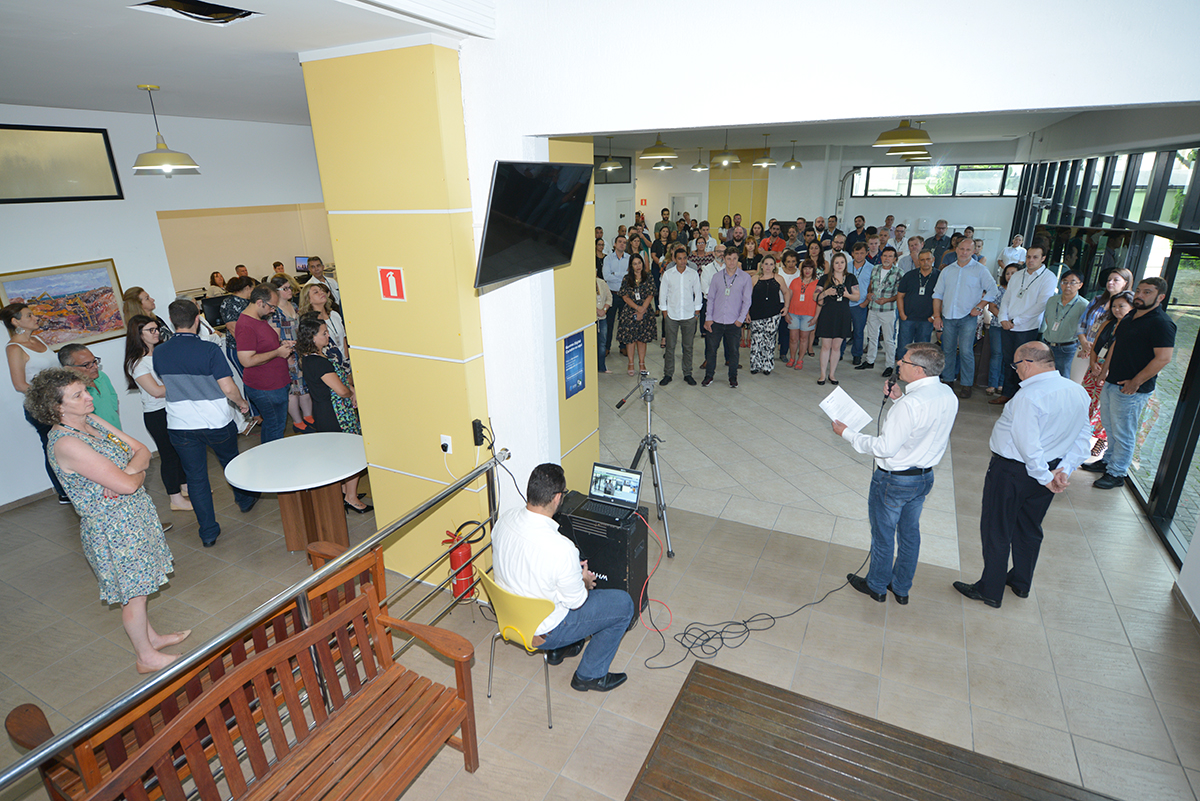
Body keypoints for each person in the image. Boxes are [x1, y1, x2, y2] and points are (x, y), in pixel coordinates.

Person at [26, 368, 189, 672]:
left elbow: (141, 450)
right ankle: (145, 657)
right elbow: (129, 484)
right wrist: (130, 478)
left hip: (132, 517)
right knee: (133, 597)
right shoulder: (67, 443)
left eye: (85, 390)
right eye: (79, 395)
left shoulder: (92, 422)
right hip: (113, 529)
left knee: (139, 587)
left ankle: (151, 638)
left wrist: (126, 473)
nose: (89, 396)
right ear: (56, 407)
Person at [954, 342, 1090, 608]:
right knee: (1029, 528)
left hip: (1014, 471)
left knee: (997, 529)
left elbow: (1028, 444)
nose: (1016, 372)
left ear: (1027, 363)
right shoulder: (1077, 391)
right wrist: (1063, 470)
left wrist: (1045, 476)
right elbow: (1083, 436)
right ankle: (1020, 582)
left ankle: (990, 590)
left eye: (1016, 366)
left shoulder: (1029, 396)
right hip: (1048, 469)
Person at [491, 463, 634, 692]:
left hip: (510, 619)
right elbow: (576, 602)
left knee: (556, 588)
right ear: (558, 498)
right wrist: (584, 582)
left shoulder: (503, 520)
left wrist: (567, 573)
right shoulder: (561, 549)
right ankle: (589, 675)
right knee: (623, 605)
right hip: (543, 631)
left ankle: (561, 650)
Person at [832, 343, 957, 604]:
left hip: (894, 481)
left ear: (920, 370)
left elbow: (885, 448)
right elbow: (923, 427)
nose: (899, 363)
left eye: (905, 361)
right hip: (924, 478)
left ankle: (876, 586)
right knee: (910, 535)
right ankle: (901, 588)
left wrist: (848, 434)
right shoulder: (947, 395)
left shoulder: (910, 405)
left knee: (883, 535)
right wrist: (898, 398)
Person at [154, 299, 258, 547]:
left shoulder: (159, 352)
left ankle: (208, 531)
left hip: (180, 425)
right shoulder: (209, 350)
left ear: (172, 322)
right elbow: (227, 387)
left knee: (196, 477)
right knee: (231, 463)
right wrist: (242, 404)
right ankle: (244, 501)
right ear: (197, 320)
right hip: (216, 422)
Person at [1081, 277, 1176, 490]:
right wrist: (1104, 372)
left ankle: (1117, 473)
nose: (1141, 295)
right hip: (1112, 381)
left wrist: (1135, 382)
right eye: (1140, 291)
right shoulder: (1131, 315)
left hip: (1132, 388)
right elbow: (1116, 345)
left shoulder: (1162, 323)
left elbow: (1163, 358)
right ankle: (1107, 462)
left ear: (1160, 297)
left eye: (1148, 292)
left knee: (1124, 431)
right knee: (1109, 425)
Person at [296, 315, 371, 513]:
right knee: (352, 456)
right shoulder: (319, 363)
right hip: (335, 414)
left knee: (340, 456)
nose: (328, 335)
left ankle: (347, 491)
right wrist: (351, 394)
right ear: (312, 337)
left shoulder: (309, 359)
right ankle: (352, 498)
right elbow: (340, 390)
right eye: (324, 333)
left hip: (324, 411)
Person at [123, 315, 190, 512]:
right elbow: (156, 391)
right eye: (151, 330)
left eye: (157, 329)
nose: (157, 333)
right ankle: (175, 499)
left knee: (180, 451)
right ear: (138, 335)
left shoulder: (160, 353)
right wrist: (182, 383)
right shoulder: (137, 363)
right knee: (169, 455)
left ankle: (186, 487)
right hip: (157, 413)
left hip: (172, 407)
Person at [3, 302, 69, 503]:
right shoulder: (14, 348)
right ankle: (63, 491)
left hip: (60, 402)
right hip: (41, 407)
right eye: (29, 315)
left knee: (68, 445)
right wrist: (48, 396)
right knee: (53, 446)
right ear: (16, 321)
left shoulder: (38, 340)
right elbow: (20, 384)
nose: (35, 317)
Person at [932, 236, 999, 399]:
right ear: (956, 249)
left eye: (968, 249)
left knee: (966, 351)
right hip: (948, 317)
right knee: (947, 350)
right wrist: (936, 316)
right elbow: (938, 294)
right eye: (961, 249)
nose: (964, 252)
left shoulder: (980, 270)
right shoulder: (947, 270)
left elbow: (993, 291)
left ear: (974, 251)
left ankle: (966, 385)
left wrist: (980, 306)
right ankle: (948, 381)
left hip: (968, 318)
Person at [991, 243, 1057, 405]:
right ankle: (1007, 393)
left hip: (1027, 327)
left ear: (1043, 258)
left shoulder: (1048, 277)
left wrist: (1016, 321)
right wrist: (1003, 319)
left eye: (1035, 257)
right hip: (1007, 325)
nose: (1030, 260)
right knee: (1008, 361)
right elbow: (1006, 298)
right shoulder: (1017, 275)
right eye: (1028, 257)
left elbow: (1041, 305)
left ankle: (1022, 398)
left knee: (1025, 363)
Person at [236, 283, 295, 443]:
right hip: (266, 387)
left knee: (275, 425)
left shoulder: (258, 319)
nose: (273, 310)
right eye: (271, 306)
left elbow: (262, 346)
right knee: (275, 427)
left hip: (274, 383)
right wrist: (277, 352)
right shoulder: (247, 325)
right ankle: (273, 462)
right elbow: (246, 360)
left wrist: (281, 344)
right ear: (260, 302)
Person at [1084, 292, 1135, 460]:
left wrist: (1105, 370)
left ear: (1132, 307)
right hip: (1095, 368)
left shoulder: (1131, 327)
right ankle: (1082, 436)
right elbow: (1096, 344)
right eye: (1114, 306)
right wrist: (1092, 364)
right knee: (1088, 403)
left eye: (1122, 306)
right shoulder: (1107, 323)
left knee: (1104, 409)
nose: (1117, 309)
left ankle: (1102, 441)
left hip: (1113, 372)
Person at [268, 274, 314, 433]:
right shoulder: (274, 312)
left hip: (301, 350)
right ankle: (297, 421)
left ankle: (308, 416)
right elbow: (275, 338)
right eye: (285, 288)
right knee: (293, 391)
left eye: (290, 287)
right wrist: (286, 356)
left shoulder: (294, 306)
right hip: (288, 354)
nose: (289, 291)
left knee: (304, 386)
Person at [701, 248, 752, 389]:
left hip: (734, 322)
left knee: (734, 351)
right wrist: (708, 318)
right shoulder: (717, 277)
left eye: (734, 258)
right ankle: (709, 376)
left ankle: (733, 377)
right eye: (729, 258)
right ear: (724, 259)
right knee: (711, 350)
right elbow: (710, 299)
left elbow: (747, 301)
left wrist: (740, 319)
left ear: (738, 260)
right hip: (716, 321)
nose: (731, 262)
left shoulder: (745, 278)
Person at [814, 252, 860, 386]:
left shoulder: (851, 278)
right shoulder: (825, 278)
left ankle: (832, 374)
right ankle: (822, 374)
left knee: (836, 347)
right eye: (837, 262)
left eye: (842, 262)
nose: (839, 265)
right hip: (827, 314)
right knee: (825, 346)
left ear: (846, 264)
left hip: (843, 314)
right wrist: (826, 293)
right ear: (832, 264)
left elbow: (857, 296)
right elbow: (815, 296)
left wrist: (847, 295)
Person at [658, 245, 702, 386]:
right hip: (672, 315)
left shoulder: (693, 274)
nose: (682, 261)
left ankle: (687, 373)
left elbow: (698, 294)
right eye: (679, 259)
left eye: (684, 258)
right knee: (670, 347)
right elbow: (662, 294)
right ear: (674, 259)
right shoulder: (668, 274)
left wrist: (696, 313)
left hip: (689, 316)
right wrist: (665, 313)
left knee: (688, 347)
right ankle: (668, 374)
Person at [858, 246, 901, 376]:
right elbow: (871, 285)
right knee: (872, 336)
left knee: (888, 339)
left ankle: (889, 365)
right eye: (885, 256)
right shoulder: (875, 268)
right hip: (873, 308)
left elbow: (900, 293)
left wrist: (887, 300)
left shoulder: (899, 272)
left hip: (887, 309)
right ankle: (870, 361)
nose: (887, 258)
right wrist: (869, 294)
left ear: (894, 259)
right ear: (881, 257)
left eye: (890, 256)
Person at [58, 343, 121, 429]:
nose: (95, 367)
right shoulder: (70, 392)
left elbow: (113, 403)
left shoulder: (102, 376)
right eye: (87, 365)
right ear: (69, 368)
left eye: (94, 361)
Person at [1040, 270, 1089, 377]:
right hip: (1047, 345)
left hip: (1067, 349)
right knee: (1044, 378)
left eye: (1072, 282)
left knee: (1062, 379)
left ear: (1080, 285)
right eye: (1064, 281)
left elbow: (1085, 329)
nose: (1067, 285)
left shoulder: (1084, 305)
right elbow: (1048, 320)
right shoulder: (1052, 300)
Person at [746, 254, 789, 376]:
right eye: (766, 264)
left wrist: (786, 307)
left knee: (769, 341)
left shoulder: (779, 278)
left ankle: (767, 365)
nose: (768, 267)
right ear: (762, 265)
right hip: (756, 314)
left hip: (773, 314)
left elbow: (786, 292)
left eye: (771, 264)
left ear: (774, 266)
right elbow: (747, 297)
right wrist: (747, 313)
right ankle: (755, 365)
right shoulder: (754, 279)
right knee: (756, 340)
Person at [616, 254, 656, 376]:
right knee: (631, 339)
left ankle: (642, 363)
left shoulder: (648, 277)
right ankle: (631, 363)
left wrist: (643, 308)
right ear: (631, 266)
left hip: (645, 310)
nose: (638, 266)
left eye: (639, 263)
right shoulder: (627, 278)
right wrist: (637, 308)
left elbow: (651, 293)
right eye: (635, 264)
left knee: (642, 339)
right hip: (630, 311)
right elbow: (624, 296)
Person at [895, 250, 937, 366]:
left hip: (926, 319)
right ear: (918, 261)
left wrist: (934, 316)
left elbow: (943, 299)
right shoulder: (909, 275)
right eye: (922, 260)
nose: (925, 262)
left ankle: (919, 371)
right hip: (908, 318)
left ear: (933, 260)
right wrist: (902, 314)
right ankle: (901, 370)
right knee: (903, 346)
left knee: (922, 349)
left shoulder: (938, 276)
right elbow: (900, 296)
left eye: (928, 259)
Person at [986, 264, 1021, 395]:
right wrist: (1003, 319)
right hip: (997, 326)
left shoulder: (1022, 291)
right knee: (997, 354)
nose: (1010, 276)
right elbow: (992, 307)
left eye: (1013, 273)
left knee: (1009, 357)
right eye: (1007, 273)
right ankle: (992, 384)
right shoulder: (999, 290)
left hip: (1015, 327)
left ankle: (1002, 384)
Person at [298, 282, 349, 368]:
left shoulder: (334, 314)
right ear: (309, 299)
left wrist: (346, 360)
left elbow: (343, 339)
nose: (321, 292)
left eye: (321, 290)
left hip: (344, 362)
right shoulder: (310, 322)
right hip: (327, 365)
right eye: (316, 292)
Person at [785, 257, 820, 370]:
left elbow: (820, 302)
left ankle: (800, 360)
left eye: (810, 268)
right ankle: (792, 358)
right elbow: (788, 297)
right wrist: (786, 312)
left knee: (804, 338)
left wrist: (816, 317)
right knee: (793, 338)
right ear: (802, 269)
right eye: (805, 268)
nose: (807, 271)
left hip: (809, 314)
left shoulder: (817, 284)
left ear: (813, 270)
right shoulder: (795, 282)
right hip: (793, 313)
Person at [843, 242, 874, 365]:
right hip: (845, 303)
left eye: (862, 253)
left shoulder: (871, 268)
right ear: (852, 254)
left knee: (858, 331)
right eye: (856, 253)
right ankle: (839, 353)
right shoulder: (846, 266)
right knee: (843, 330)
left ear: (867, 253)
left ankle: (857, 354)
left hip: (860, 304)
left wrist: (866, 302)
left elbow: (872, 288)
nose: (859, 256)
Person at [601, 235, 631, 358]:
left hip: (625, 295)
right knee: (609, 322)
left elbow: (630, 276)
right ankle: (607, 347)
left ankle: (623, 346)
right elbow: (606, 276)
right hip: (612, 294)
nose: (622, 244)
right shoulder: (608, 259)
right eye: (620, 242)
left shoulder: (629, 258)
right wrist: (623, 275)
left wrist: (616, 274)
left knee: (624, 322)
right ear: (614, 244)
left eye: (624, 242)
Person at [595, 263, 612, 374]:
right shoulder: (583, 284)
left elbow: (609, 298)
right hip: (592, 319)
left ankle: (602, 367)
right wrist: (597, 310)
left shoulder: (601, 283)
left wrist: (604, 310)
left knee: (602, 343)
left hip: (603, 317)